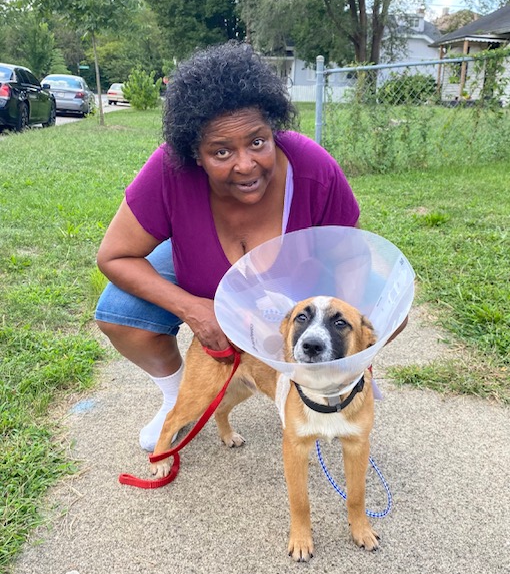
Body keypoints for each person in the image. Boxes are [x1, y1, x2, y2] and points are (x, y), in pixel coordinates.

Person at [95, 41, 361, 452]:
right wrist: (192, 307)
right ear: (194, 156)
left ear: (273, 128)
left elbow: (351, 256)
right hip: (201, 270)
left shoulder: (313, 167)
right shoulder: (169, 170)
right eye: (221, 151)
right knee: (120, 314)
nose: (245, 164)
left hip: (292, 276)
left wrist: (357, 340)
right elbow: (113, 255)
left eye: (257, 142)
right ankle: (178, 396)